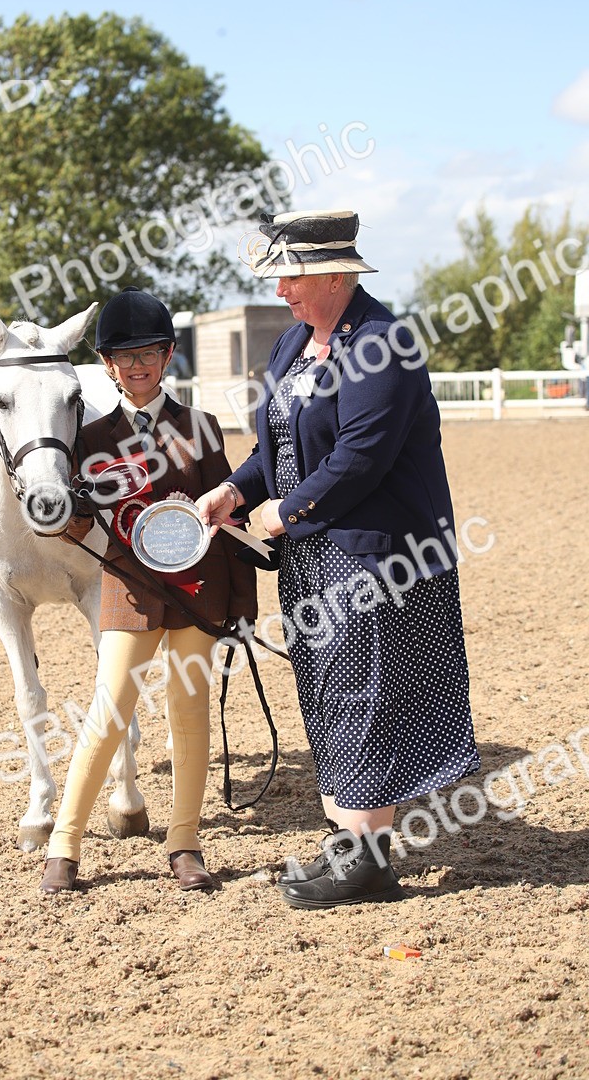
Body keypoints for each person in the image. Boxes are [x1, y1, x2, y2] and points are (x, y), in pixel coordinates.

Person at [196, 210, 480, 910]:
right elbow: (278, 446)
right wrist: (235, 488)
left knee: (365, 694)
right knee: (328, 691)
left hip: (378, 558)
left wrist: (283, 512)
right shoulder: (295, 343)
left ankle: (368, 860)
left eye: (290, 276)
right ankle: (352, 845)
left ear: (332, 272)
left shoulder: (384, 344)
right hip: (316, 554)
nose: (282, 290)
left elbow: (359, 457)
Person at [41, 287, 257, 894]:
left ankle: (184, 842)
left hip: (197, 590)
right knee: (109, 710)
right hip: (129, 589)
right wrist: (64, 505)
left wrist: (241, 607)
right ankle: (64, 844)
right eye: (123, 356)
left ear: (167, 358)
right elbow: (75, 528)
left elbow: (232, 525)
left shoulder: (201, 428)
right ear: (107, 366)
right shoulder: (90, 440)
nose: (136, 366)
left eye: (148, 354)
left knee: (189, 716)